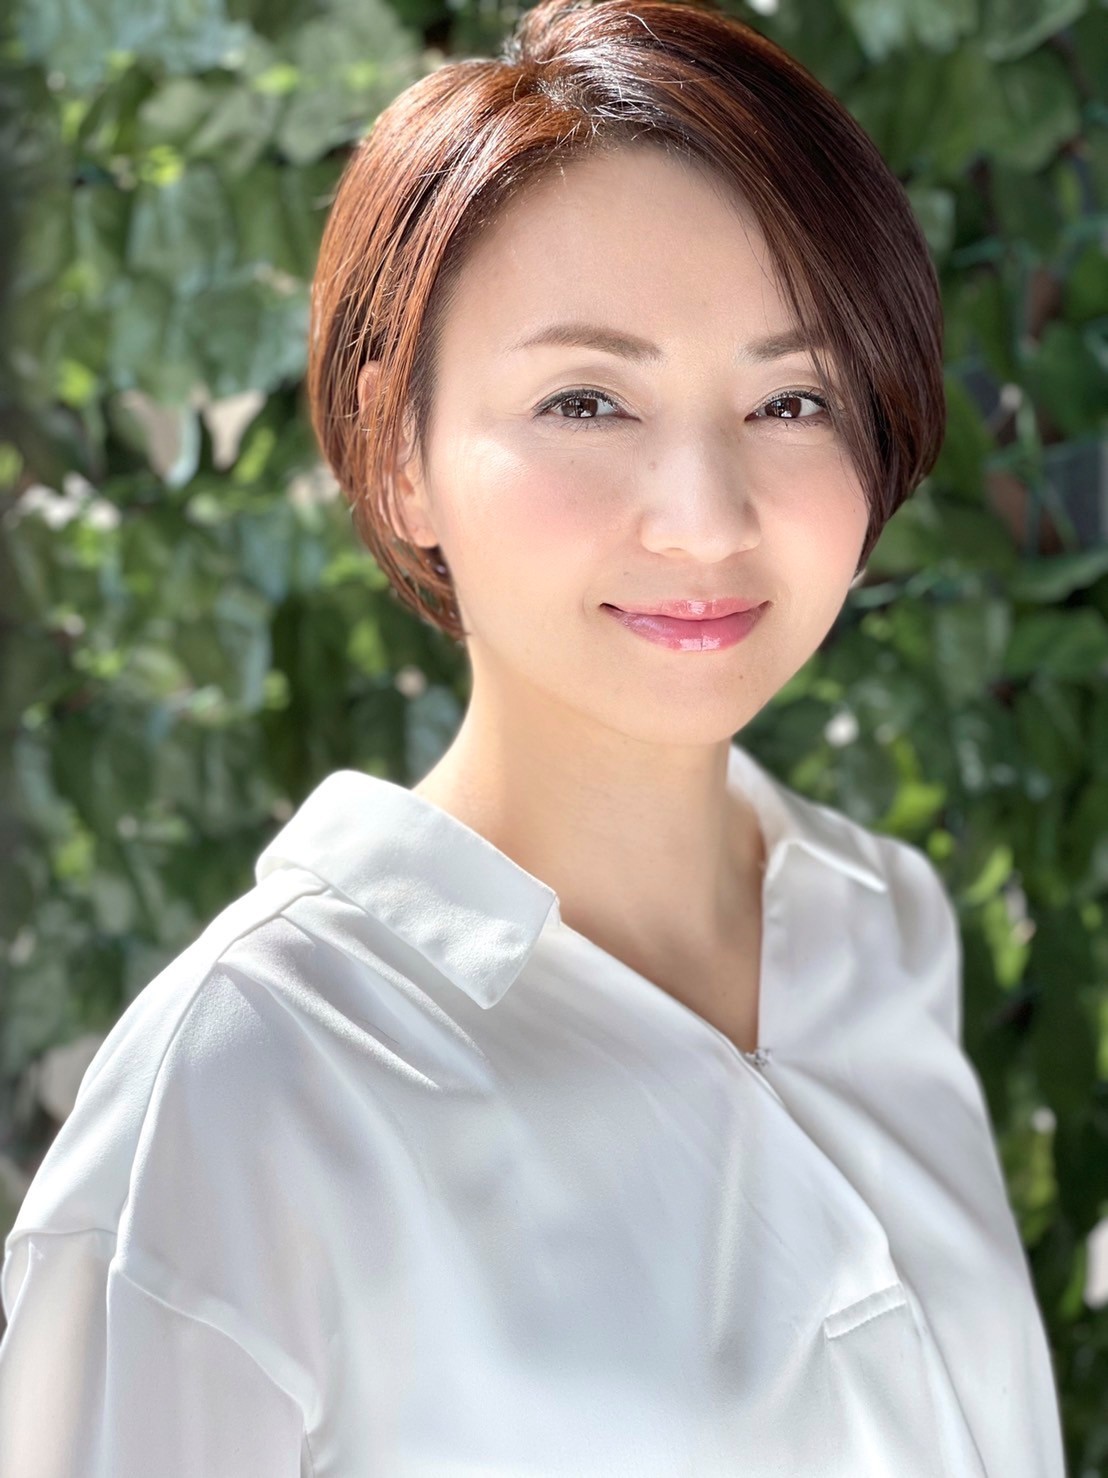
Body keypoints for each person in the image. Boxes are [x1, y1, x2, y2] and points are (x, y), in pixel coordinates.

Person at [0, 0, 1066, 1473]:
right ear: (401, 451)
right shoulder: (255, 1083)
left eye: (791, 398)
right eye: (586, 400)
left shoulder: (882, 925)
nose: (704, 517)